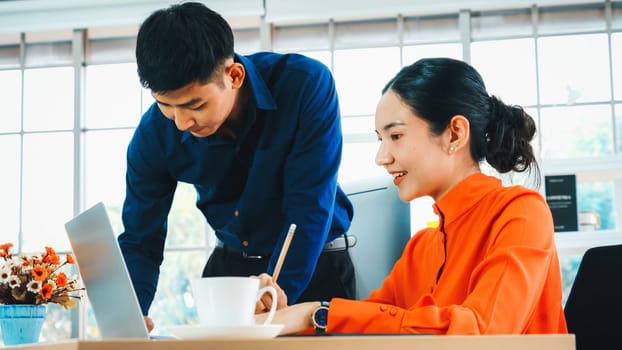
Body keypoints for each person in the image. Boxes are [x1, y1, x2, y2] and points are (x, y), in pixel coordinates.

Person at [255, 57, 568, 335]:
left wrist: (316, 314)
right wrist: (282, 318)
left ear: (455, 134)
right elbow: (359, 326)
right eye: (382, 139)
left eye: (396, 136)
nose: (382, 157)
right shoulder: (421, 248)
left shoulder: (521, 213)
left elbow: (483, 331)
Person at [118, 2, 356, 331]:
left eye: (195, 105)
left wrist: (277, 291)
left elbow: (308, 207)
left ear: (234, 76)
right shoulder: (154, 135)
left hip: (314, 262)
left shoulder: (305, 85)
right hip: (229, 273)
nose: (182, 122)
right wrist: (129, 318)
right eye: (166, 106)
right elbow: (140, 240)